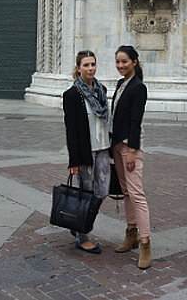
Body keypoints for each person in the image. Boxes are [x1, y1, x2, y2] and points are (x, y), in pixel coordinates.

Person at [63, 50, 111, 254]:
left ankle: (80, 225)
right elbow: (71, 130)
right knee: (86, 193)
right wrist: (74, 160)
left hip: (103, 148)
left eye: (93, 64)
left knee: (102, 191)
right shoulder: (72, 95)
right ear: (78, 68)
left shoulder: (102, 90)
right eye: (86, 65)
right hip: (85, 152)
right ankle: (83, 236)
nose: (90, 68)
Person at [111, 45, 151, 269]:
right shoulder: (121, 83)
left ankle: (145, 243)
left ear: (135, 61)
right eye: (117, 61)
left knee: (137, 195)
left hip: (129, 147)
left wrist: (133, 151)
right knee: (125, 191)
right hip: (117, 145)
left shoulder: (138, 87)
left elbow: (135, 121)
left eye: (124, 61)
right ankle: (131, 233)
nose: (120, 65)